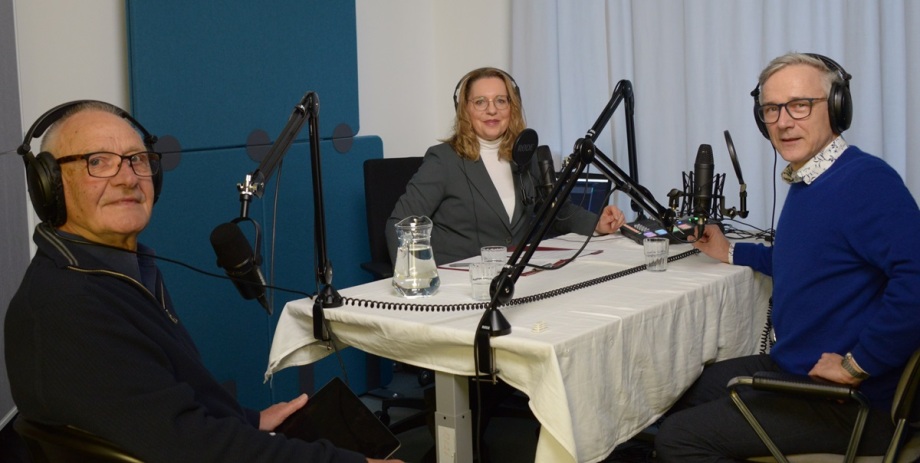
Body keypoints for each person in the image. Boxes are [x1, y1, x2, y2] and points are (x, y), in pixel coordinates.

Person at [5, 100, 403, 463]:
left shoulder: (113, 273)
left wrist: (250, 420)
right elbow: (192, 448)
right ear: (49, 185)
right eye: (98, 161)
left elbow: (155, 407)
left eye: (137, 159)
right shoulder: (69, 306)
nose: (128, 178)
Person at [654, 52, 920, 461]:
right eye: (771, 109)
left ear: (835, 107)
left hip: (849, 403)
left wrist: (859, 364)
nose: (782, 121)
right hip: (801, 369)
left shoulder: (866, 181)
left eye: (799, 105)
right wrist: (729, 251)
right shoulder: (811, 178)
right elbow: (812, 260)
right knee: (688, 387)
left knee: (677, 438)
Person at [386, 66, 626, 266]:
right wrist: (417, 280)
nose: (492, 109)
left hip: (515, 276)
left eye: (501, 100)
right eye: (480, 102)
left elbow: (557, 211)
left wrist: (596, 222)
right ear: (465, 110)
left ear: (512, 107)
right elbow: (400, 224)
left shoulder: (524, 154)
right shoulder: (444, 160)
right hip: (458, 283)